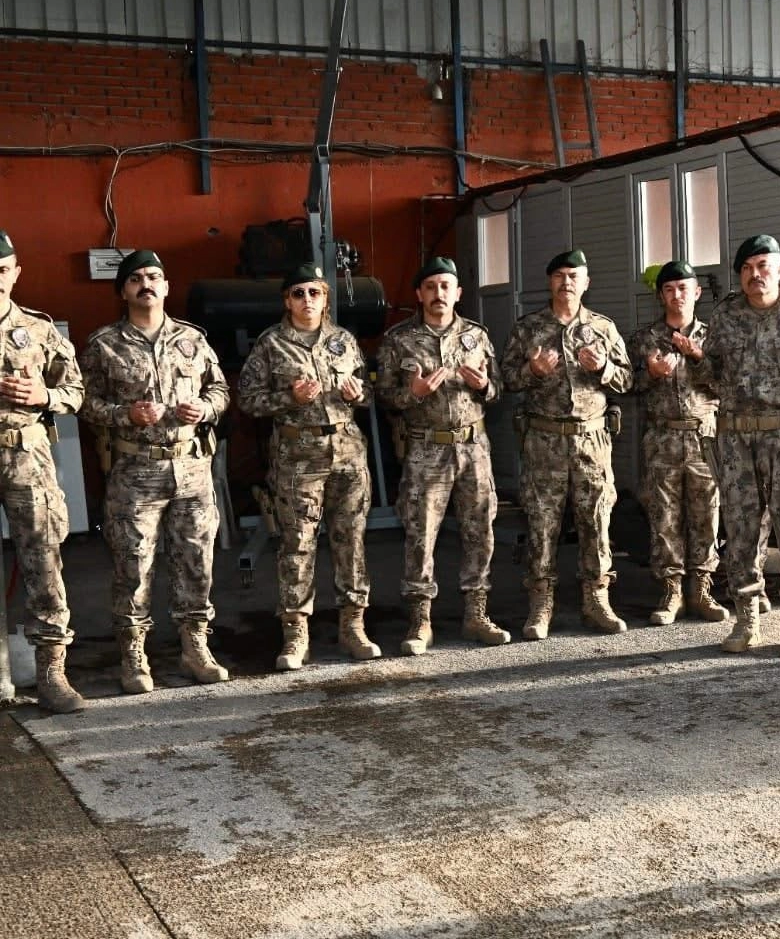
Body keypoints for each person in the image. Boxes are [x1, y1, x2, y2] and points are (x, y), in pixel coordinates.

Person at [81, 249, 232, 693]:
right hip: (135, 471)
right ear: (123, 291)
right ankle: (134, 655)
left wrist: (205, 408)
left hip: (191, 467)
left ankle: (195, 646)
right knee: (133, 564)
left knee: (197, 560)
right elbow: (83, 401)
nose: (145, 284)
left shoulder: (192, 339)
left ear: (166, 286)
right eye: (135, 279)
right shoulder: (104, 344)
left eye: (153, 276)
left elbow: (220, 389)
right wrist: (125, 414)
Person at [689, 234, 780, 655]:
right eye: (747, 268)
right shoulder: (726, 315)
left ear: (778, 270)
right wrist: (696, 361)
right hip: (737, 438)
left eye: (762, 266)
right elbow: (708, 379)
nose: (755, 275)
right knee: (741, 528)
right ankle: (747, 620)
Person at [238, 263, 381, 671]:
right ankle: (296, 632)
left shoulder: (343, 341)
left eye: (314, 293)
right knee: (297, 544)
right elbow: (247, 400)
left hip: (348, 453)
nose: (307, 300)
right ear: (287, 301)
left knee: (351, 541)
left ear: (325, 298)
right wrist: (290, 398)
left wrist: (356, 395)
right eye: (298, 293)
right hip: (298, 458)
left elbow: (368, 394)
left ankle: (353, 626)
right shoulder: (271, 344)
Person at [376, 256, 512, 655]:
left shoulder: (476, 335)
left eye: (446, 286)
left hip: (473, 448)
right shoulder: (399, 339)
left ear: (458, 293)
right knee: (420, 533)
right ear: (419, 294)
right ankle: (421, 620)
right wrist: (412, 394)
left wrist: (485, 385)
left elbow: (498, 389)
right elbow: (383, 395)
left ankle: (476, 614)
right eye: (431, 287)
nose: (439, 293)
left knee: (480, 530)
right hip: (425, 449)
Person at [504, 250, 632, 638]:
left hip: (592, 441)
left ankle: (597, 599)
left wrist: (603, 368)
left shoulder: (603, 328)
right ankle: (540, 603)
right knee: (542, 523)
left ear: (586, 283)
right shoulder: (528, 329)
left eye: (574, 276)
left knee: (596, 520)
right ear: (550, 282)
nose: (567, 282)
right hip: (544, 440)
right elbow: (506, 379)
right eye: (560, 275)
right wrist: (532, 370)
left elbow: (627, 380)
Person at [0, 230, 86, 713]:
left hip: (26, 456)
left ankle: (52, 672)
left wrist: (44, 396)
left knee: (43, 559)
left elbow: (75, 390)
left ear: (15, 274)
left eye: (2, 270)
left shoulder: (37, 329)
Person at [628, 260, 727, 626]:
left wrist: (698, 357)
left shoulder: (714, 337)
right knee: (664, 515)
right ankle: (671, 591)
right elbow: (627, 383)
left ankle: (701, 589)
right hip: (662, 438)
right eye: (669, 289)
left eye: (683, 288)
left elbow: (727, 384)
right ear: (660, 296)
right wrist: (651, 374)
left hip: (704, 438)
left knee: (706, 514)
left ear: (697, 292)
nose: (677, 295)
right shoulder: (644, 339)